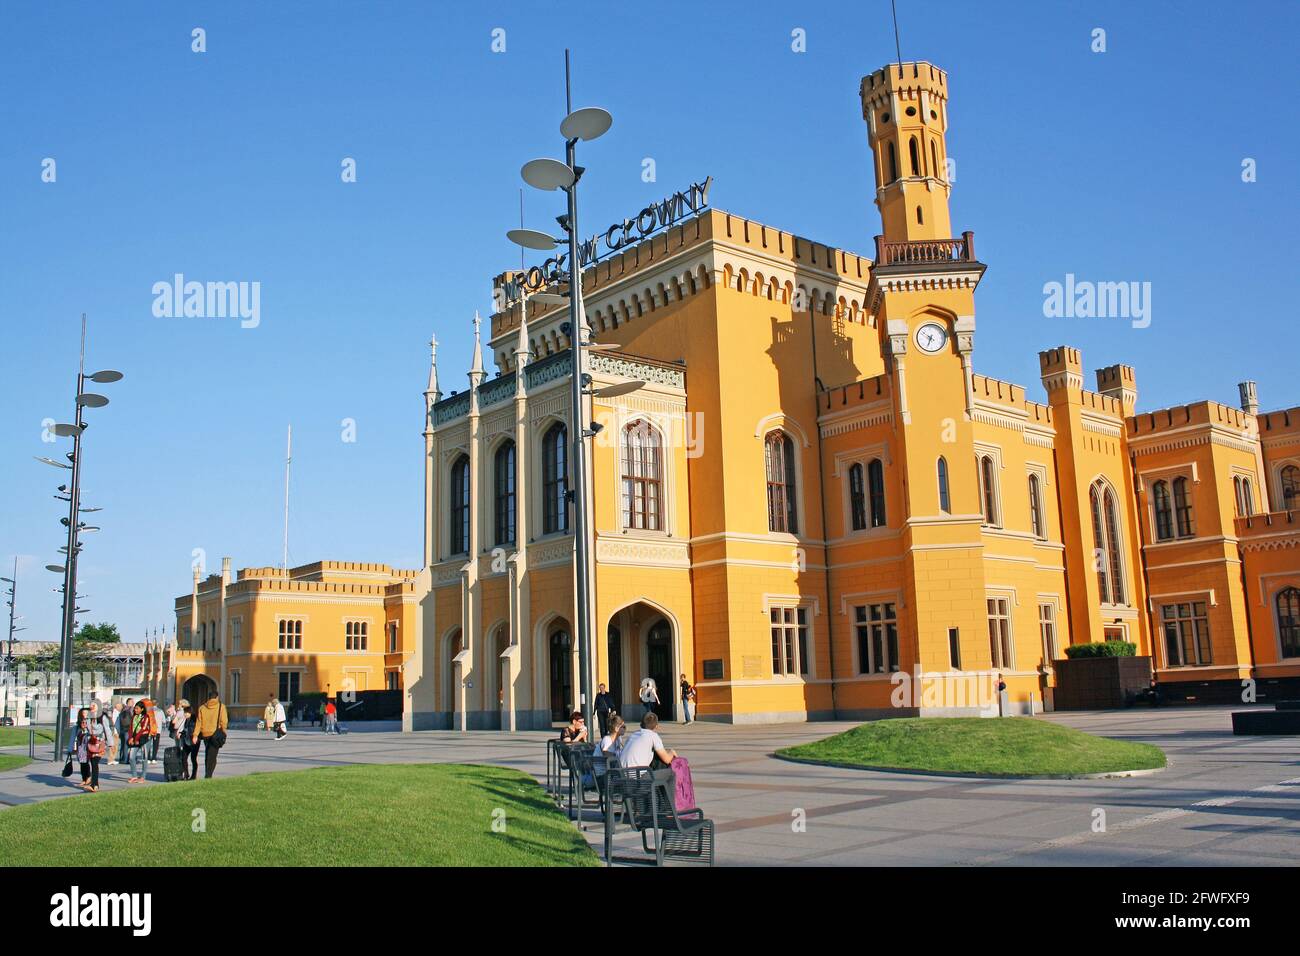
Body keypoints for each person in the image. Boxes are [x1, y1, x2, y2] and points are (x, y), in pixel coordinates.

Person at [66, 708, 104, 793]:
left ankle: (94, 784)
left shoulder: (94, 723)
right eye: (84, 714)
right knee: (83, 763)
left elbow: (101, 732)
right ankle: (86, 779)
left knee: (94, 764)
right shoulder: (77, 727)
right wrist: (70, 749)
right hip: (82, 748)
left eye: (87, 713)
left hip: (94, 747)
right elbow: (72, 738)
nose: (85, 715)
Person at [191, 694, 229, 778]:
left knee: (208, 754)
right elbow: (224, 721)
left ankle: (208, 774)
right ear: (216, 697)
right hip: (216, 734)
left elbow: (198, 723)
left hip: (205, 734)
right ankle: (208, 775)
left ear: (209, 698)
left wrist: (195, 735)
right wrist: (224, 731)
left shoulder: (202, 708)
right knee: (212, 755)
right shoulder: (221, 706)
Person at [124, 700, 151, 783]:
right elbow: (131, 729)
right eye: (135, 708)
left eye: (137, 708)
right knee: (131, 757)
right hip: (134, 739)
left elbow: (143, 729)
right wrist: (130, 738)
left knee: (144, 758)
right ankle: (134, 775)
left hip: (144, 739)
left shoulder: (146, 717)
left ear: (142, 709)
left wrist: (135, 739)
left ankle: (143, 776)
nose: (135, 710)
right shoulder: (134, 717)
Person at [180, 704, 199, 780]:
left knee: (193, 758)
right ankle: (186, 774)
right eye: (184, 712)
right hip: (187, 742)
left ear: (190, 712)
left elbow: (194, 731)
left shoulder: (194, 720)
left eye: (186, 713)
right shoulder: (186, 720)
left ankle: (194, 775)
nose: (185, 714)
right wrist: (182, 733)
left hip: (194, 742)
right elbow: (186, 730)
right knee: (183, 757)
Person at [116, 698, 133, 766]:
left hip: (122, 729)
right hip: (128, 730)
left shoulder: (122, 710)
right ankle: (126, 759)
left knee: (123, 745)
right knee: (127, 745)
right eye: (132, 702)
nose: (133, 703)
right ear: (129, 702)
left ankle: (122, 758)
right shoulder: (130, 710)